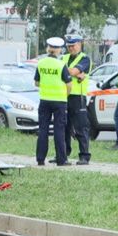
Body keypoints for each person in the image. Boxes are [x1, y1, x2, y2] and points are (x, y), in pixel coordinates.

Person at [34, 37, 72, 166]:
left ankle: (40, 159)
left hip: (44, 100)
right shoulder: (61, 65)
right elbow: (69, 84)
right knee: (59, 130)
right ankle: (61, 160)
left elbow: (36, 82)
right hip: (59, 101)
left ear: (48, 49)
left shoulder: (41, 63)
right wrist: (65, 95)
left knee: (43, 130)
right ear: (59, 50)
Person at [62, 35, 92, 165]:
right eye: (68, 46)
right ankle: (63, 154)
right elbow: (72, 72)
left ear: (79, 45)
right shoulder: (64, 58)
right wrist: (73, 73)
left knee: (81, 128)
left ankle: (84, 155)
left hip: (78, 97)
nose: (70, 48)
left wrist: (68, 72)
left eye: (73, 45)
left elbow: (73, 71)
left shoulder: (85, 59)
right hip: (64, 96)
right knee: (64, 128)